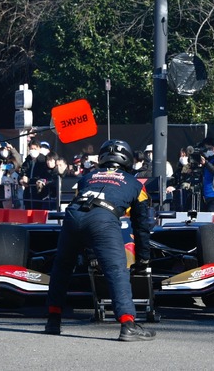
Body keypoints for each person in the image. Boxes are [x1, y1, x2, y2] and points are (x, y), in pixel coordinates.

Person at [44, 139, 155, 341]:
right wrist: (143, 258)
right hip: (104, 218)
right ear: (128, 160)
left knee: (61, 268)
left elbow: (79, 202)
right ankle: (128, 324)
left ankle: (53, 320)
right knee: (116, 271)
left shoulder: (87, 177)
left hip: (73, 216)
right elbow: (141, 227)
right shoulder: (136, 184)